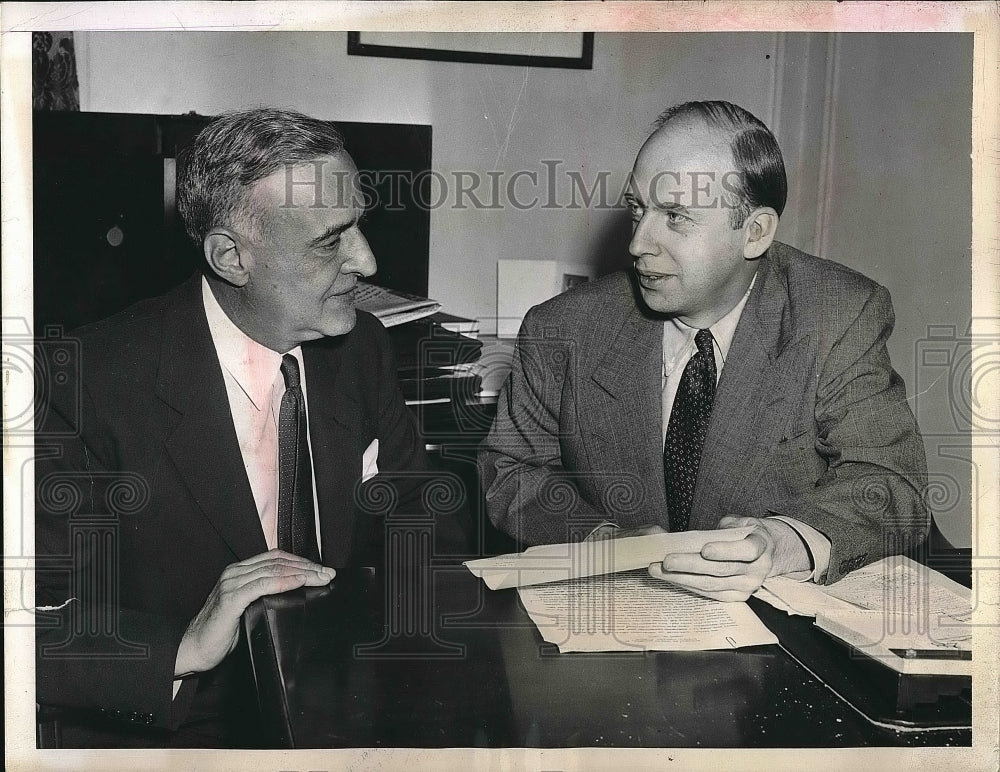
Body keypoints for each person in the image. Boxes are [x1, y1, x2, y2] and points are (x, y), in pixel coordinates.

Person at [34, 107, 455, 746]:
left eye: (359, 225)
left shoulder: (361, 346)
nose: (366, 261)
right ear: (231, 257)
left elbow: (416, 517)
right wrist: (184, 644)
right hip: (180, 727)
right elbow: (31, 624)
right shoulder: (87, 383)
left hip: (343, 703)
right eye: (328, 239)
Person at [479, 100, 929, 600]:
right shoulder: (563, 328)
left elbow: (891, 481)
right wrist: (600, 542)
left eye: (675, 217)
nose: (639, 244)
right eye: (638, 210)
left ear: (754, 232)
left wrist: (785, 542)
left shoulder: (837, 315)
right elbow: (511, 471)